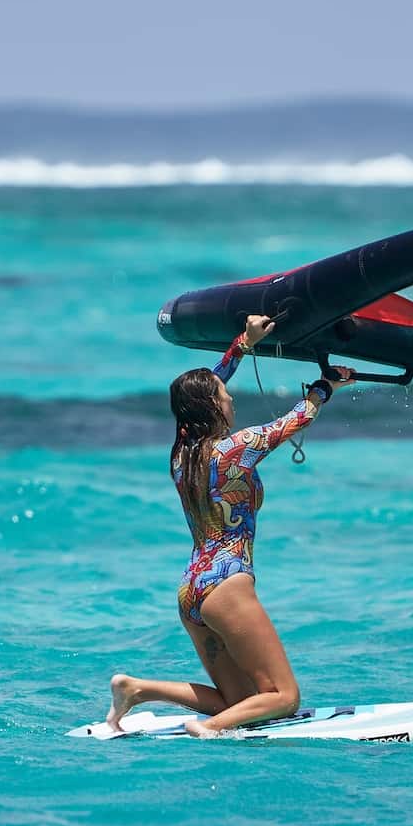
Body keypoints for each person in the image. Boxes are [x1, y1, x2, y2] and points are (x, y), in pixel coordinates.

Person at [107, 315, 353, 737]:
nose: (231, 401)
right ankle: (209, 727)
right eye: (224, 396)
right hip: (227, 585)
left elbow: (198, 391)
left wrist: (243, 344)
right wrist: (325, 387)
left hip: (192, 589)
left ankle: (136, 689)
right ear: (211, 406)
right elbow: (288, 425)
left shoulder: (182, 456)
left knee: (245, 702)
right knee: (282, 698)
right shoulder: (235, 449)